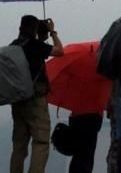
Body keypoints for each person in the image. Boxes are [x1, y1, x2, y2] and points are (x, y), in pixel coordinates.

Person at [9, 15, 64, 173]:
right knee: (40, 142)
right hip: (36, 100)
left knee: (19, 146)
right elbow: (60, 51)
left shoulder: (14, 45)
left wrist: (41, 39)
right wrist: (52, 32)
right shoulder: (35, 46)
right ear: (34, 29)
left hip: (18, 100)